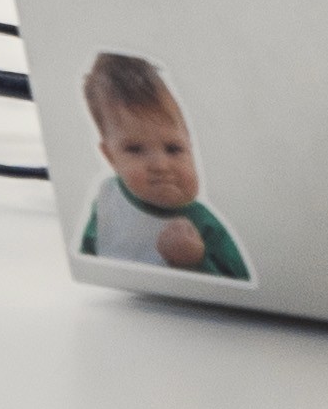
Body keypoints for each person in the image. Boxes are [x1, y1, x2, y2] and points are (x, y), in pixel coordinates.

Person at [75, 49, 253, 281]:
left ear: (191, 146)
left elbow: (242, 289)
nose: (160, 165)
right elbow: (88, 258)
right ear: (110, 157)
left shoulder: (201, 224)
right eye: (135, 149)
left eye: (173, 149)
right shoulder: (108, 199)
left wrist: (195, 262)